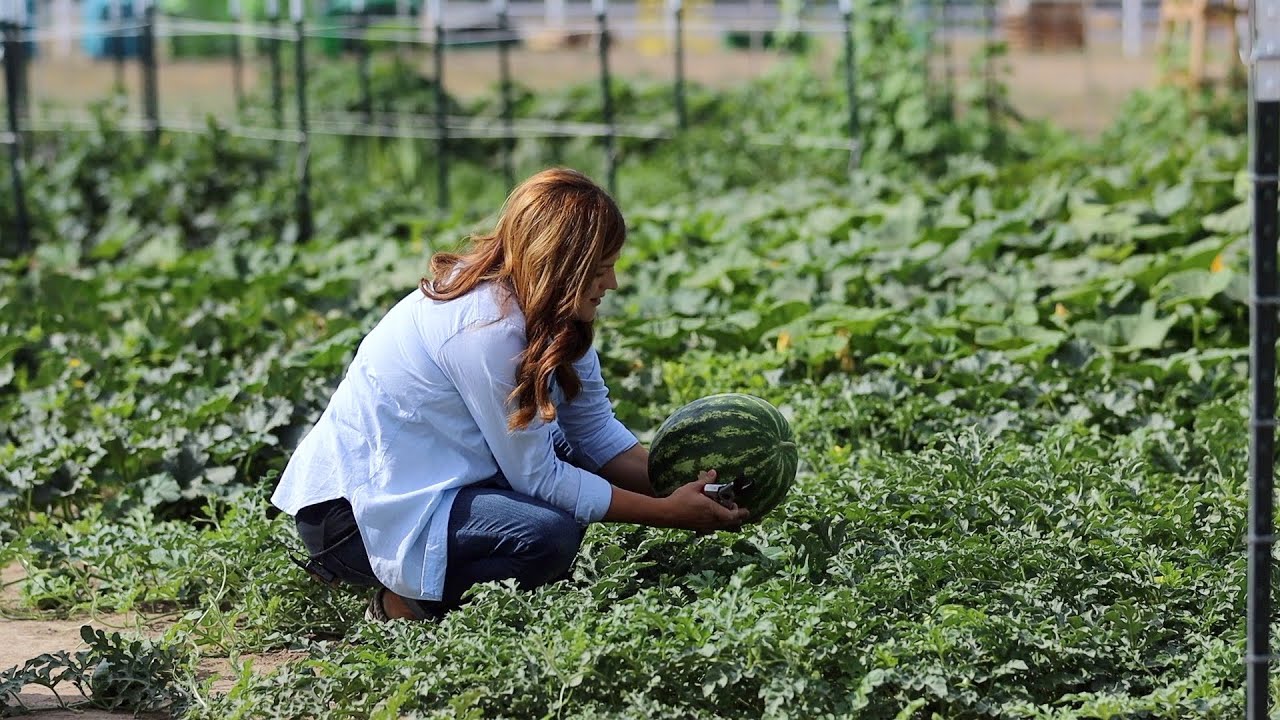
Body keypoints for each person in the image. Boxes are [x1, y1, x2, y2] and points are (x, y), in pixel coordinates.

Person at [270, 168, 750, 621]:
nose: (612, 284)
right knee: (548, 536)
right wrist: (667, 514)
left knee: (571, 462)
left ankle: (434, 575)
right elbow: (539, 478)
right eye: (601, 269)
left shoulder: (555, 314)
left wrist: (691, 488)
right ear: (559, 266)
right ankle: (402, 604)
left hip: (442, 478)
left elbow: (594, 434)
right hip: (353, 516)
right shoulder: (486, 328)